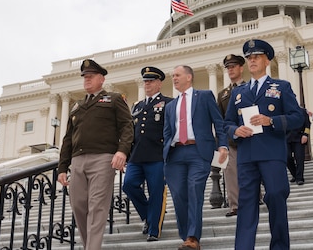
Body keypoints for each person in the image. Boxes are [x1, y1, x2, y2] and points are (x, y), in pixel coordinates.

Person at [224, 39, 303, 249]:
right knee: (247, 204)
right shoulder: (238, 93)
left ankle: (279, 246)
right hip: (247, 156)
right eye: (249, 58)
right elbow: (228, 122)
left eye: (256, 57)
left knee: (276, 196)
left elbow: (298, 117)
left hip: (272, 153)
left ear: (267, 60)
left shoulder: (281, 86)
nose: (252, 61)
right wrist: (235, 130)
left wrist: (272, 121)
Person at [57, 59, 134, 250]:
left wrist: (122, 151)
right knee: (78, 206)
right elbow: (68, 138)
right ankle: (89, 246)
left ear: (102, 78)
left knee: (97, 207)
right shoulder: (76, 106)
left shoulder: (114, 99)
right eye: (84, 77)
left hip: (103, 159)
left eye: (90, 76)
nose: (86, 79)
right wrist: (62, 167)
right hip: (77, 161)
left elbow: (127, 126)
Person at [163, 65, 228, 250]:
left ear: (189, 77)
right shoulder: (170, 106)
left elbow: (218, 122)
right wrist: (165, 156)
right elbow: (167, 134)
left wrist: (222, 145)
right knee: (178, 196)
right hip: (175, 154)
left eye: (177, 75)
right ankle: (186, 237)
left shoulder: (205, 96)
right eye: (172, 76)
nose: (174, 78)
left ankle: (193, 237)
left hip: (198, 152)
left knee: (194, 190)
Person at [122, 66, 173, 242]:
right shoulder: (137, 105)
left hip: (157, 156)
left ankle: (153, 230)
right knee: (128, 185)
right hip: (136, 156)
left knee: (156, 192)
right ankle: (148, 216)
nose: (147, 84)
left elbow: (171, 131)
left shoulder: (168, 103)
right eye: (145, 81)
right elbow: (130, 131)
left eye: (151, 81)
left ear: (159, 83)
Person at [217, 54, 246, 217]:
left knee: (252, 170)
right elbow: (220, 120)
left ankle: (256, 197)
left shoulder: (250, 88)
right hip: (230, 140)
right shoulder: (223, 94)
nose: (230, 70)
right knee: (230, 172)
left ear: (241, 68)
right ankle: (234, 204)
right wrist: (220, 144)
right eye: (228, 67)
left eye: (233, 66)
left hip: (250, 137)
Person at [286, 107, 311, 185]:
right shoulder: (282, 110)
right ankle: (295, 174)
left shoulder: (302, 111)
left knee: (299, 158)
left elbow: (307, 124)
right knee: (287, 157)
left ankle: (300, 178)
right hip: (286, 138)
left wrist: (305, 135)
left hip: (299, 138)